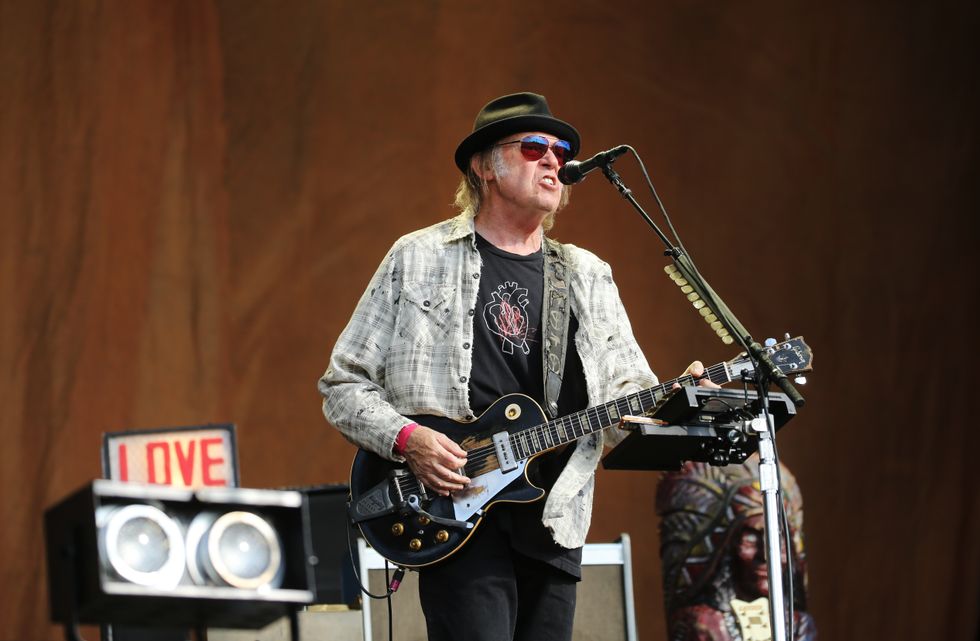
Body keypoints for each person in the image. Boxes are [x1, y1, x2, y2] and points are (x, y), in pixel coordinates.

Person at [319, 92, 714, 641]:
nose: (554, 159)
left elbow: (630, 392)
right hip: (450, 510)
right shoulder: (417, 256)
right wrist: (409, 439)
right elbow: (343, 384)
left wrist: (680, 400)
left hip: (554, 519)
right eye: (534, 147)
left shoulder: (585, 273)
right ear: (484, 166)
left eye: (561, 150)